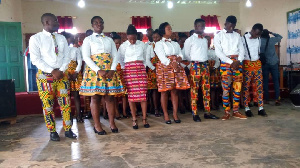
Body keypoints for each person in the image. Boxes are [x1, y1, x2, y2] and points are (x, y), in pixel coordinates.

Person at [29, 13, 77, 141]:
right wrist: (52, 71)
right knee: (48, 106)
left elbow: (67, 56)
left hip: (62, 76)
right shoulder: (36, 38)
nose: (58, 23)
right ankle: (52, 131)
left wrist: (60, 70)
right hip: (45, 78)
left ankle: (68, 130)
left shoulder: (61, 38)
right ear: (46, 22)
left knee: (66, 104)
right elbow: (35, 59)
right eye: (55, 21)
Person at [80, 16, 124, 135]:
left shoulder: (109, 40)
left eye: (101, 23)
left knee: (110, 97)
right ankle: (97, 125)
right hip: (95, 71)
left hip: (109, 69)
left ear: (103, 24)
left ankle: (112, 123)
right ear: (92, 25)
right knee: (96, 97)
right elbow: (86, 57)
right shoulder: (88, 39)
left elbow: (115, 56)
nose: (99, 24)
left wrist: (113, 69)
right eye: (96, 23)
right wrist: (98, 70)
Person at [154, 22, 190, 124]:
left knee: (175, 91)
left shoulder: (175, 43)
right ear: (163, 31)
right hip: (165, 68)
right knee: (164, 91)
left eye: (170, 28)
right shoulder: (159, 44)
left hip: (176, 66)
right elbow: (162, 58)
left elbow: (181, 54)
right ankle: (166, 114)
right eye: (168, 29)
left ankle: (175, 113)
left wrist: (179, 58)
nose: (171, 30)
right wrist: (172, 63)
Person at [184, 19, 219, 122]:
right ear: (195, 26)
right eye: (200, 26)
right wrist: (195, 62)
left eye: (204, 26)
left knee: (206, 90)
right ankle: (195, 113)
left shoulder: (204, 40)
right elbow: (187, 55)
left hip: (205, 65)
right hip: (195, 66)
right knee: (194, 90)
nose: (202, 28)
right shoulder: (189, 40)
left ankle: (207, 112)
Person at [214, 15, 247, 120]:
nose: (231, 28)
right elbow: (218, 52)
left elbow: (242, 50)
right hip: (225, 63)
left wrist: (238, 61)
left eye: (233, 26)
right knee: (226, 89)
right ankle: (227, 111)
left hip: (237, 63)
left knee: (237, 88)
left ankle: (236, 111)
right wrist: (230, 62)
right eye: (230, 25)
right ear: (225, 23)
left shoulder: (237, 36)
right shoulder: (218, 36)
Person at [119, 24, 150, 129]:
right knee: (131, 97)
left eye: (134, 38)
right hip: (129, 72)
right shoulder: (123, 46)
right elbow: (121, 59)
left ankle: (145, 119)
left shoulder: (142, 45)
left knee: (143, 96)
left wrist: (142, 67)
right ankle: (134, 119)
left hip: (141, 70)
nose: (132, 41)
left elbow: (146, 58)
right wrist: (125, 69)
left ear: (137, 36)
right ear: (127, 37)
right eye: (130, 39)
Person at [242, 23, 268, 117]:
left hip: (257, 63)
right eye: (256, 33)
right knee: (246, 86)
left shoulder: (259, 39)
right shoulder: (243, 39)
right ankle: (246, 108)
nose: (256, 36)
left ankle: (261, 108)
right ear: (252, 30)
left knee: (259, 86)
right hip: (247, 63)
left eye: (259, 34)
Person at [61, 31, 84, 123]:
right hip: (64, 74)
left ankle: (79, 115)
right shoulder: (59, 51)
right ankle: (68, 116)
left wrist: (76, 72)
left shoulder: (75, 50)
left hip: (75, 74)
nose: (71, 40)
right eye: (69, 38)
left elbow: (79, 62)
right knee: (66, 97)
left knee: (76, 96)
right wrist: (67, 74)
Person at [260, 29, 282, 106]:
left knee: (265, 81)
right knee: (276, 81)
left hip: (265, 63)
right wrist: (272, 32)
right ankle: (277, 99)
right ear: (268, 34)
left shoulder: (259, 41)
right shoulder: (272, 40)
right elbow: (280, 37)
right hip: (273, 63)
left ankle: (266, 99)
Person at [111, 32, 129, 118]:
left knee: (124, 93)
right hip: (113, 73)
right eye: (116, 43)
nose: (117, 45)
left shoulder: (122, 50)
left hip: (122, 71)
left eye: (119, 43)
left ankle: (125, 111)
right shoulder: (110, 52)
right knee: (114, 94)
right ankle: (117, 112)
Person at [145, 29, 162, 117]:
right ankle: (156, 109)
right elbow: (147, 60)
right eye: (154, 37)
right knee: (154, 90)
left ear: (161, 37)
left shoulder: (164, 45)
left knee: (163, 90)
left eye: (157, 37)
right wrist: (153, 68)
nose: (155, 39)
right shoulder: (150, 46)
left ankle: (162, 107)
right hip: (153, 70)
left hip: (163, 69)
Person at [205, 36, 221, 111]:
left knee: (215, 88)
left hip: (214, 70)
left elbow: (217, 60)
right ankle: (209, 104)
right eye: (206, 40)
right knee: (208, 89)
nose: (208, 42)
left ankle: (215, 103)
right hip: (206, 70)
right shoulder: (202, 50)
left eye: (209, 41)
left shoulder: (213, 50)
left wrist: (214, 67)